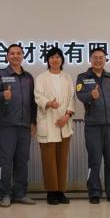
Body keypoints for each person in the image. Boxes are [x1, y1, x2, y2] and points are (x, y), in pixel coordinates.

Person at [75, 48, 110, 204]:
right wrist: (91, 95)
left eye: (101, 57)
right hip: (93, 126)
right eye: (95, 57)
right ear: (90, 59)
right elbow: (80, 95)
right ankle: (94, 192)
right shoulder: (83, 77)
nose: (98, 60)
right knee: (94, 161)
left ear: (105, 60)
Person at [0, 44, 37, 207]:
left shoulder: (28, 77)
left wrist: (33, 122)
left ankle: (20, 193)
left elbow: (32, 102)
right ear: (7, 56)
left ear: (23, 56)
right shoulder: (1, 74)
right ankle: (5, 194)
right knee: (5, 161)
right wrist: (2, 95)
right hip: (7, 125)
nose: (15, 56)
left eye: (18, 53)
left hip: (24, 126)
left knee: (22, 161)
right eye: (12, 53)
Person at [34, 47, 75, 205]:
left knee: (62, 159)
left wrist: (67, 116)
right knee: (49, 160)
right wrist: (49, 103)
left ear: (62, 59)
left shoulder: (67, 77)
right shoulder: (41, 77)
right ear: (48, 60)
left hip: (64, 123)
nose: (55, 60)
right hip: (48, 122)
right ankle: (51, 192)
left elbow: (72, 98)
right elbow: (38, 96)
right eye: (52, 57)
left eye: (58, 57)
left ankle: (61, 191)